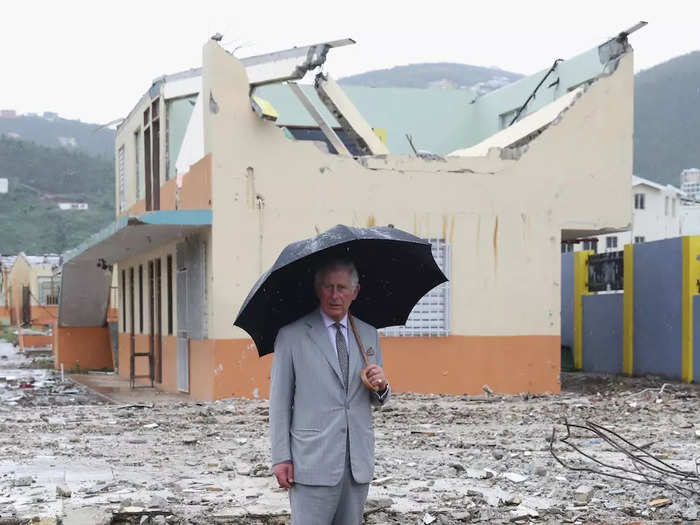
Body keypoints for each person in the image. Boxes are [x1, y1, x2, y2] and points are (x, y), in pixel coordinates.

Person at [269, 259, 390, 524]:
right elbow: (279, 403)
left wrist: (381, 386)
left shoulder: (368, 334)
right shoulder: (292, 336)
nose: (335, 295)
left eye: (342, 288)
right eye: (328, 287)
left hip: (356, 462)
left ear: (355, 292)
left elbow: (375, 398)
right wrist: (281, 457)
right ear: (318, 289)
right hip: (311, 462)